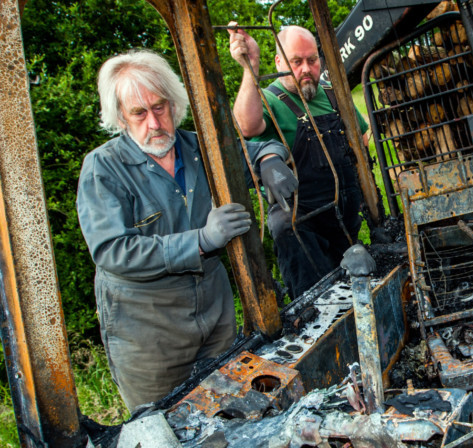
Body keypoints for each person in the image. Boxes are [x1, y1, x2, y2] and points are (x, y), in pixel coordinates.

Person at [76, 49, 277, 411]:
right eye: (139, 113)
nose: (154, 123)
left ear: (174, 104)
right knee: (166, 426)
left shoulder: (197, 147)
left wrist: (268, 160)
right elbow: (113, 251)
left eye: (159, 107)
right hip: (150, 340)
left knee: (230, 413)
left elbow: (251, 149)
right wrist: (199, 241)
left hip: (215, 322)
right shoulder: (103, 169)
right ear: (121, 117)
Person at [228, 24, 370, 300]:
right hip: (302, 228)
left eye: (312, 60)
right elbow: (246, 126)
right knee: (318, 305)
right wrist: (250, 68)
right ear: (279, 62)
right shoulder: (267, 99)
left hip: (343, 218)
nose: (306, 68)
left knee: (357, 293)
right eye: (296, 61)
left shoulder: (332, 93)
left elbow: (362, 136)